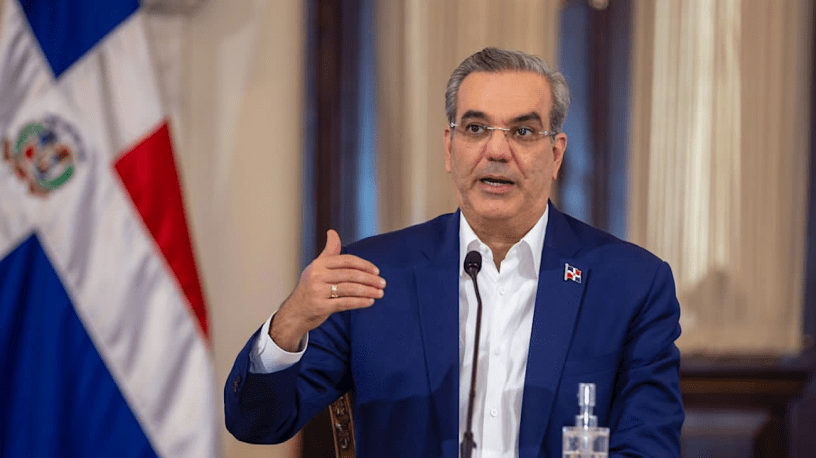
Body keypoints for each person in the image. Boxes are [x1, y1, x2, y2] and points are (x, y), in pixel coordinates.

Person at [225, 47, 684, 458]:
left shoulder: (631, 284)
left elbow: (649, 447)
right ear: (450, 148)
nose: (497, 150)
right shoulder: (373, 276)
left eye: (523, 131)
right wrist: (291, 321)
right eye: (476, 128)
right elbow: (257, 424)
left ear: (556, 154)